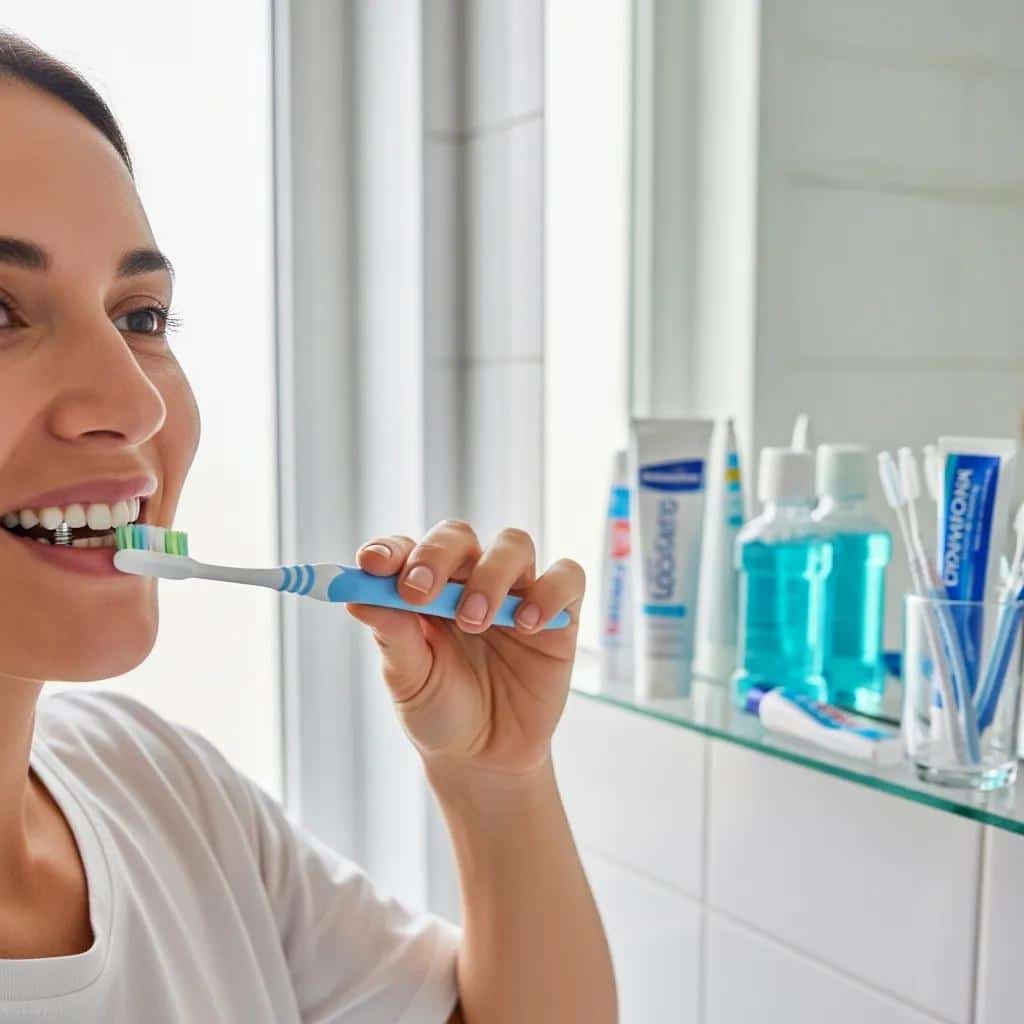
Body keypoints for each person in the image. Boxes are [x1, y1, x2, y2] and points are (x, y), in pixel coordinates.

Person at [0, 31, 616, 1024]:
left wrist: (494, 783)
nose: (133, 400)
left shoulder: (155, 784)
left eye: (141, 316)